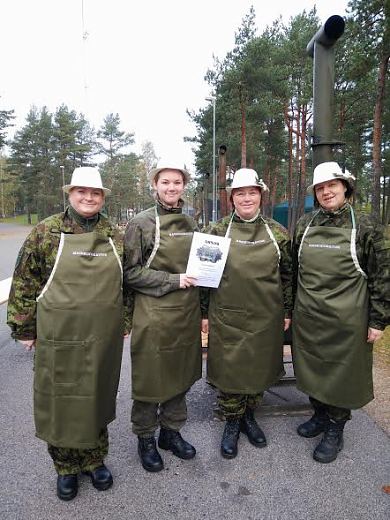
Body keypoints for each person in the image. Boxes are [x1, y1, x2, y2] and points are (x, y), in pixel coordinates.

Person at [7, 167, 127, 501]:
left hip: (102, 337)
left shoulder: (114, 234)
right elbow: (24, 282)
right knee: (61, 400)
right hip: (58, 335)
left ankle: (94, 460)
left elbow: (125, 283)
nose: (89, 198)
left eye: (95, 193)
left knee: (98, 395)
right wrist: (23, 327)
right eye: (82, 192)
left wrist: (125, 321)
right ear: (70, 194)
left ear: (102, 197)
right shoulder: (46, 231)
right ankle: (65, 468)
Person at [292, 161, 390, 463]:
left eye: (331, 185)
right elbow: (294, 269)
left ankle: (336, 427)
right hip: (308, 316)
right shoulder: (304, 223)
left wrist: (378, 319)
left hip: (348, 320)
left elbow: (383, 274)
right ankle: (320, 414)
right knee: (313, 369)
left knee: (341, 374)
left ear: (345, 187)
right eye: (320, 188)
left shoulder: (366, 225)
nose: (326, 192)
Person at [201, 168, 292, 459]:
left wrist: (287, 310)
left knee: (258, 367)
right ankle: (231, 422)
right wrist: (204, 314)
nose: (247, 198)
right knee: (230, 370)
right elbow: (204, 277)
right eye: (240, 193)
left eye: (252, 192)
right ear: (231, 198)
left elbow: (288, 276)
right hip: (227, 315)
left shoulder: (277, 233)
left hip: (267, 316)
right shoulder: (216, 232)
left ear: (260, 196)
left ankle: (249, 416)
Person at [123, 164, 202, 472]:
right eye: (165, 182)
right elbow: (130, 273)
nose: (171, 187)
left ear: (184, 186)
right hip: (153, 313)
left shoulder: (190, 221)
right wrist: (173, 281)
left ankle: (171, 432)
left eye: (177, 182)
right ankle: (145, 438)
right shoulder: (141, 222)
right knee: (150, 377)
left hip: (186, 311)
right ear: (154, 185)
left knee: (180, 373)